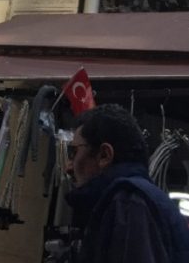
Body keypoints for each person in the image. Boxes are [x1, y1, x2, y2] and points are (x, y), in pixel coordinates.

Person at [65, 103, 189, 263]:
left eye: (73, 152)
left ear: (104, 155)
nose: (68, 166)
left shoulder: (128, 203)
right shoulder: (139, 199)